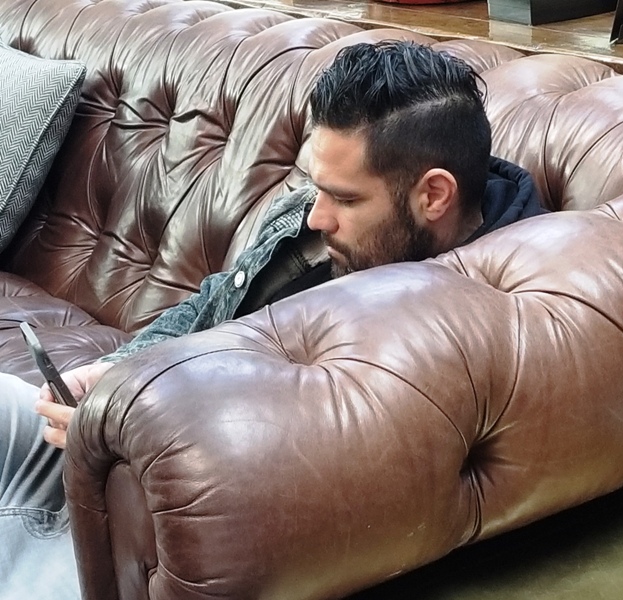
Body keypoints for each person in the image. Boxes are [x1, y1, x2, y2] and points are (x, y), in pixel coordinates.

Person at [0, 40, 545, 598]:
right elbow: (208, 304)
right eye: (317, 188)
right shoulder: (313, 223)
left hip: (177, 520)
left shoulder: (490, 319)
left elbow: (312, 479)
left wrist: (138, 420)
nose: (316, 216)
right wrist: (115, 376)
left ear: (434, 195)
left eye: (345, 199)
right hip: (120, 449)